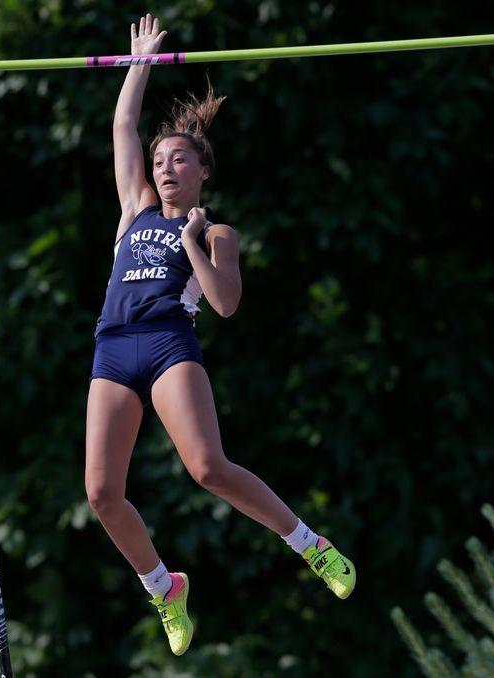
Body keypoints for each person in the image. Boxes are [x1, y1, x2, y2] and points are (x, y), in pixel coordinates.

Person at [85, 14, 356, 656]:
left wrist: (190, 243)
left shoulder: (215, 234)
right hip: (112, 347)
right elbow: (123, 126)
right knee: (100, 493)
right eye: (159, 160)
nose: (165, 167)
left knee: (208, 467)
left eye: (179, 158)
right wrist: (139, 64)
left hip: (167, 345)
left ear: (204, 170)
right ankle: (164, 587)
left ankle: (311, 546)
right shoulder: (134, 210)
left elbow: (226, 304)